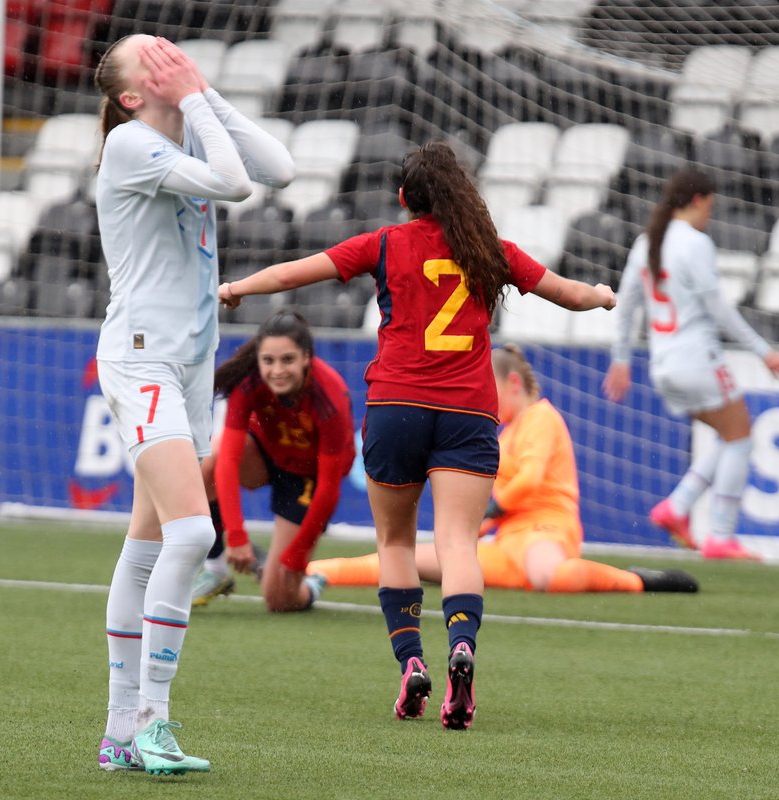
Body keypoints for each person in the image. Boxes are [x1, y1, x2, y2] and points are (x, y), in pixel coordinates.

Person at [217, 141, 616, 730]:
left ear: (404, 198)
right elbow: (572, 295)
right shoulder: (491, 251)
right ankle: (463, 648)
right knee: (457, 542)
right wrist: (605, 296)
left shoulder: (383, 243)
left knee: (396, 544)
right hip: (469, 413)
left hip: (397, 406)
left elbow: (294, 272)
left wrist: (237, 289)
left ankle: (411, 664)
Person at [93, 35, 294, 775]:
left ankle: (118, 734)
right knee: (189, 536)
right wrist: (198, 101)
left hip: (185, 365)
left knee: (147, 544)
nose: (172, 61)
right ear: (131, 97)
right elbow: (236, 186)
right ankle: (153, 720)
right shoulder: (129, 144)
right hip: (141, 360)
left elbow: (280, 168)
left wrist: (203, 96)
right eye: (157, 61)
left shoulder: (178, 121)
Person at [306, 344, 699, 594]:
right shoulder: (504, 434)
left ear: (513, 382)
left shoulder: (542, 418)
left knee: (552, 578)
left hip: (548, 531)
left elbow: (527, 482)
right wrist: (464, 533)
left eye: (485, 388)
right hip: (508, 545)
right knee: (406, 560)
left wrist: (489, 511)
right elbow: (492, 508)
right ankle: (308, 568)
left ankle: (639, 580)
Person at [603, 168, 779, 561]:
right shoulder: (695, 243)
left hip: (663, 365)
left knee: (730, 434)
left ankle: (677, 506)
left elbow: (626, 307)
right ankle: (720, 535)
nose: (711, 213)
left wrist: (621, 359)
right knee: (740, 435)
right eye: (711, 205)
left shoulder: (645, 243)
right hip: (698, 358)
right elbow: (718, 309)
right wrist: (763, 350)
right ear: (699, 200)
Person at [191, 310, 355, 612]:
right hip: (266, 458)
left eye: (287, 360)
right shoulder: (250, 383)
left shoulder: (330, 397)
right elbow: (228, 460)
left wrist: (296, 558)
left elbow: (329, 489)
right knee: (208, 459)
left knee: (279, 599)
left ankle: (314, 579)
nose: (277, 370)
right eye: (269, 361)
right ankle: (215, 570)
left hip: (309, 478)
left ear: (306, 357)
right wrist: (236, 536)